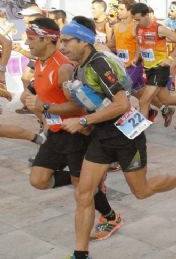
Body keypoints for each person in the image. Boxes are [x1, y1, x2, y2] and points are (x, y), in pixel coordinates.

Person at [58, 16, 176, 259]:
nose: (62, 46)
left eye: (66, 41)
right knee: (83, 193)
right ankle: (80, 255)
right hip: (101, 137)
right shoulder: (80, 65)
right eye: (60, 41)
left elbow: (122, 104)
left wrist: (83, 121)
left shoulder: (99, 64)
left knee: (142, 191)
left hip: (126, 136)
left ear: (83, 40)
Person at [22, 17, 123, 241]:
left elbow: (77, 105)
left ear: (46, 40)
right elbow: (41, 92)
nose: (27, 42)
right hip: (55, 133)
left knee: (83, 190)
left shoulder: (64, 67)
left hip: (75, 133)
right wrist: (31, 97)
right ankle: (90, 178)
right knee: (38, 180)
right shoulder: (39, 62)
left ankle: (111, 217)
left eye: (31, 38)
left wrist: (44, 106)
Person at [131, 3, 176, 126]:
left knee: (144, 101)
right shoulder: (138, 28)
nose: (137, 22)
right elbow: (139, 44)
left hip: (160, 68)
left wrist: (170, 58)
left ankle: (139, 133)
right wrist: (136, 57)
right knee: (166, 99)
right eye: (135, 20)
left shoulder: (159, 28)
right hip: (148, 69)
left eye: (138, 19)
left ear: (146, 15)